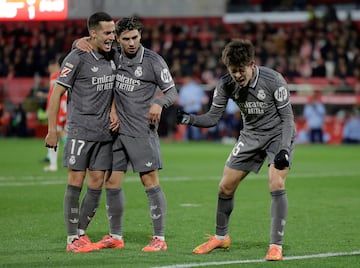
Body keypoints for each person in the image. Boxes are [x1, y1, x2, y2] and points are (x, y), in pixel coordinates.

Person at [177, 39, 296, 261]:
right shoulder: (225, 84)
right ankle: (221, 237)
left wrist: (284, 149)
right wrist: (189, 118)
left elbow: (288, 119)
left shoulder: (274, 80)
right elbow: (213, 117)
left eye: (241, 70)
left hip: (277, 135)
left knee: (276, 183)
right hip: (250, 136)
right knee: (225, 187)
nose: (237, 76)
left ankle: (275, 246)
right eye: (233, 71)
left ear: (252, 64)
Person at [76, 16, 178, 252]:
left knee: (149, 181)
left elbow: (172, 91)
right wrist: (79, 40)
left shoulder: (153, 61)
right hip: (117, 132)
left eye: (135, 37)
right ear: (117, 39)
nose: (132, 43)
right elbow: (86, 45)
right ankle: (115, 236)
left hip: (142, 132)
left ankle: (160, 239)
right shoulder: (115, 55)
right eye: (126, 39)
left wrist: (159, 103)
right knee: (112, 182)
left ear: (140, 36)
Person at [45, 12, 119, 253]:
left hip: (104, 133)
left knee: (97, 182)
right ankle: (71, 239)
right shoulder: (76, 57)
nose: (112, 37)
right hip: (79, 130)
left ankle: (81, 233)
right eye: (107, 33)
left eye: (113, 32)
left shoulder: (113, 56)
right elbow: (56, 94)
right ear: (93, 33)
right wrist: (52, 130)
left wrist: (114, 109)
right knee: (76, 181)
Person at [44, 54, 67, 172]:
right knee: (60, 133)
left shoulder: (55, 76)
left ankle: (54, 164)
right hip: (68, 108)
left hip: (60, 109)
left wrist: (49, 108)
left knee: (55, 134)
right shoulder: (71, 74)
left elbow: (53, 95)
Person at [178, 74, 208, 140]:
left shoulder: (194, 88)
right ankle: (192, 139)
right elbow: (180, 102)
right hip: (189, 110)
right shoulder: (185, 88)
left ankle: (195, 139)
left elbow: (204, 99)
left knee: (193, 127)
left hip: (194, 110)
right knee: (190, 127)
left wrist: (194, 102)